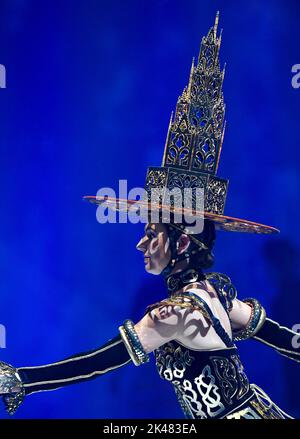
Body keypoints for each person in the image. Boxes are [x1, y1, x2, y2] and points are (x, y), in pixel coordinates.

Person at [0, 13, 299, 419]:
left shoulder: (177, 314)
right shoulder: (213, 294)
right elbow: (279, 336)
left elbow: (101, 361)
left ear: (182, 242)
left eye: (152, 233)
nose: (141, 242)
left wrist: (22, 380)